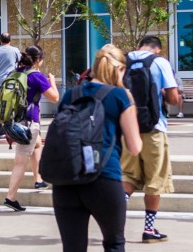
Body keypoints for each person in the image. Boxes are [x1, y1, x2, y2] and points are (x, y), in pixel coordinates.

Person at [52, 44, 142, 252]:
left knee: (72, 248)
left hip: (67, 180)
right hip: (104, 178)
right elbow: (135, 147)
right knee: (114, 243)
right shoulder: (119, 96)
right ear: (120, 69)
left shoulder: (71, 94)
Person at [122, 35, 182, 243]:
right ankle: (149, 229)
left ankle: (113, 217)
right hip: (154, 127)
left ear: (139, 45)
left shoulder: (123, 60)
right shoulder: (160, 62)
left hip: (127, 128)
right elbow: (173, 99)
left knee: (127, 176)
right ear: (158, 49)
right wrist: (163, 93)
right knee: (155, 180)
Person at [3, 45, 61, 212]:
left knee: (37, 145)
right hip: (29, 123)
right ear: (38, 60)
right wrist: (52, 81)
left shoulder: (14, 73)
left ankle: (38, 179)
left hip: (14, 121)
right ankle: (10, 197)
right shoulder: (36, 76)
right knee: (20, 162)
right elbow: (55, 98)